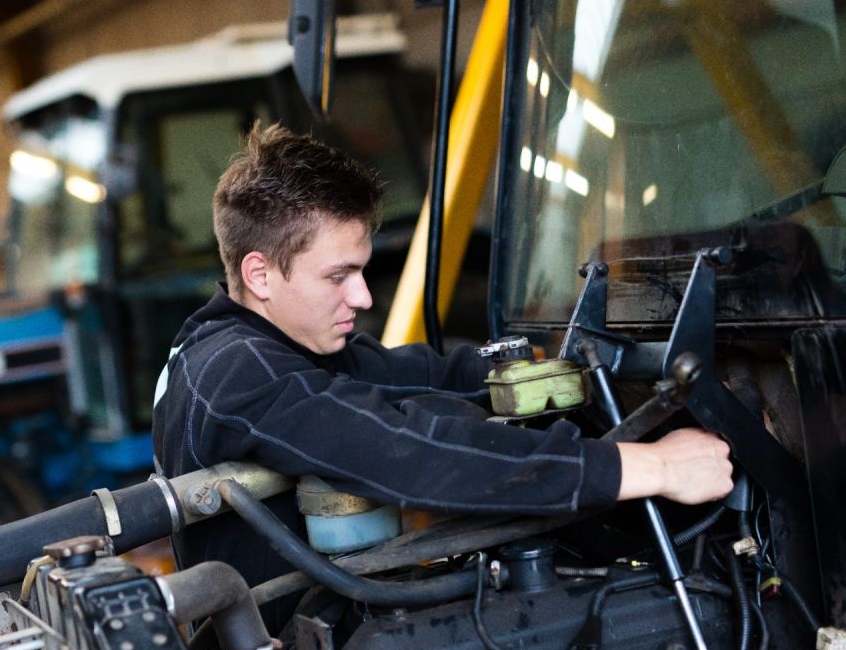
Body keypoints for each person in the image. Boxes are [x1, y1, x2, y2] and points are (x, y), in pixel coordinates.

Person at [151, 123, 733, 617]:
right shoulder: (236, 370)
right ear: (259, 275)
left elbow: (423, 375)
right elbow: (402, 448)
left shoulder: (266, 344)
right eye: (338, 276)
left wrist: (559, 371)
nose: (362, 297)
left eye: (361, 272)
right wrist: (651, 466)